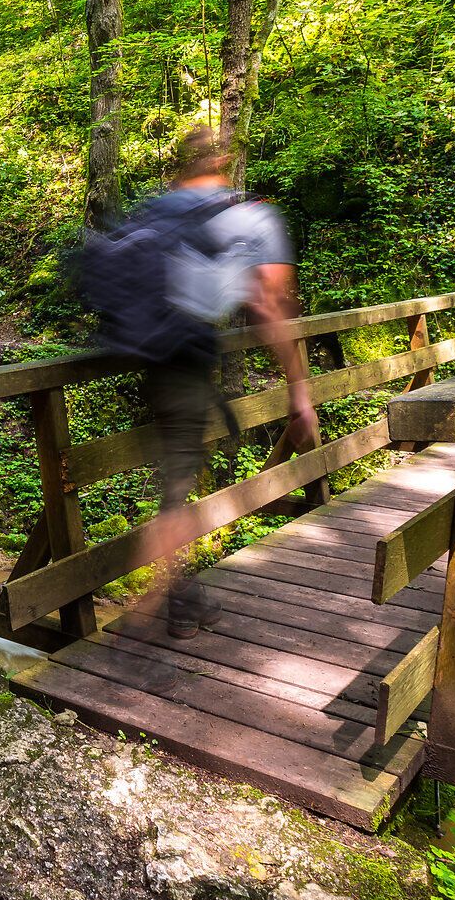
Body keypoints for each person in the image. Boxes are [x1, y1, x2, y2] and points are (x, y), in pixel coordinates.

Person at [82, 126, 316, 647]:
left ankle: (183, 599)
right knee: (178, 484)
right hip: (186, 356)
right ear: (226, 160)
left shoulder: (154, 210)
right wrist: (298, 388)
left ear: (181, 165)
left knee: (178, 470)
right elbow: (270, 306)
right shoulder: (249, 216)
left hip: (145, 357)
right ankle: (154, 605)